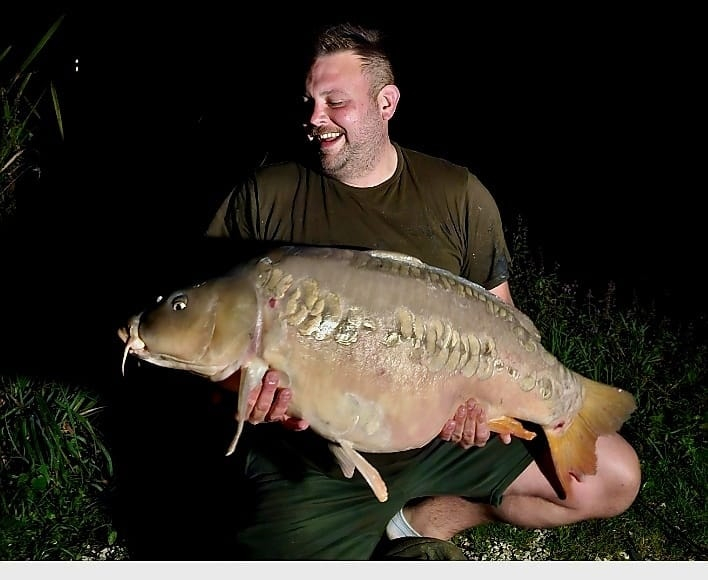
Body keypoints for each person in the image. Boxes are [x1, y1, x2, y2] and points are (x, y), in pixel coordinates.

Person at [204, 22, 641, 560]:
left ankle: (421, 520)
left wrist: (487, 405)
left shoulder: (456, 194)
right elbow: (217, 330)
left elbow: (501, 318)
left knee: (613, 477)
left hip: (440, 437)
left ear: (386, 103)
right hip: (315, 457)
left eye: (335, 102)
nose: (315, 118)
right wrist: (246, 397)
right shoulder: (265, 196)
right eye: (309, 102)